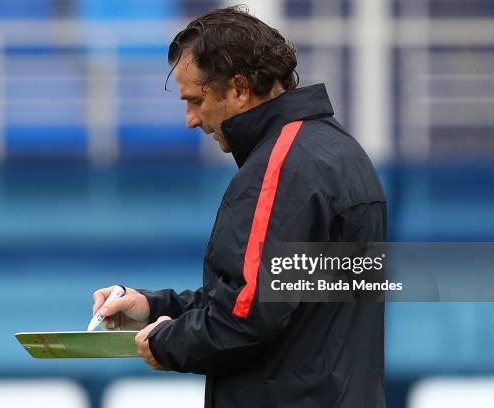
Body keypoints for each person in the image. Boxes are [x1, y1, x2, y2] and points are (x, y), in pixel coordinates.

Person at [93, 6, 386, 407]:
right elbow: (269, 298)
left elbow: (244, 319)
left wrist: (164, 341)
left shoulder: (279, 167)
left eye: (196, 100)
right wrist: (151, 307)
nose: (190, 120)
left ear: (240, 87)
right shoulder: (340, 151)